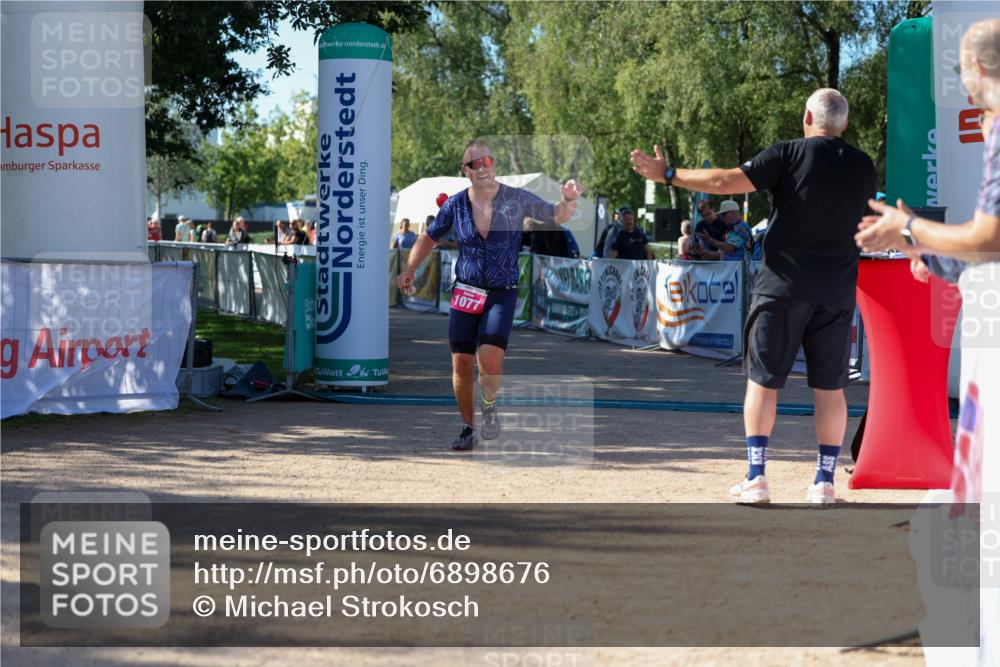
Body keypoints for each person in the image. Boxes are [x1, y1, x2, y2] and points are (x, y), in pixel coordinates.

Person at [631, 87, 877, 504]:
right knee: (830, 389)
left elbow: (728, 180)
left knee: (762, 382)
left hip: (782, 287)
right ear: (845, 125)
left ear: (806, 117)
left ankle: (757, 476)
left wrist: (668, 175)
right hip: (836, 291)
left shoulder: (789, 154)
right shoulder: (864, 166)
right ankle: (824, 482)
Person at [396, 138, 582, 451]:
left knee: (490, 361)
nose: (482, 167)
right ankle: (468, 427)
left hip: (501, 290)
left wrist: (568, 199)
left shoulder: (516, 198)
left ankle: (489, 406)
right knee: (461, 364)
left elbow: (556, 215)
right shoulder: (455, 204)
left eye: (487, 161)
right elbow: (429, 238)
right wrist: (409, 269)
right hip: (466, 290)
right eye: (474, 163)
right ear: (465, 170)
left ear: (494, 164)